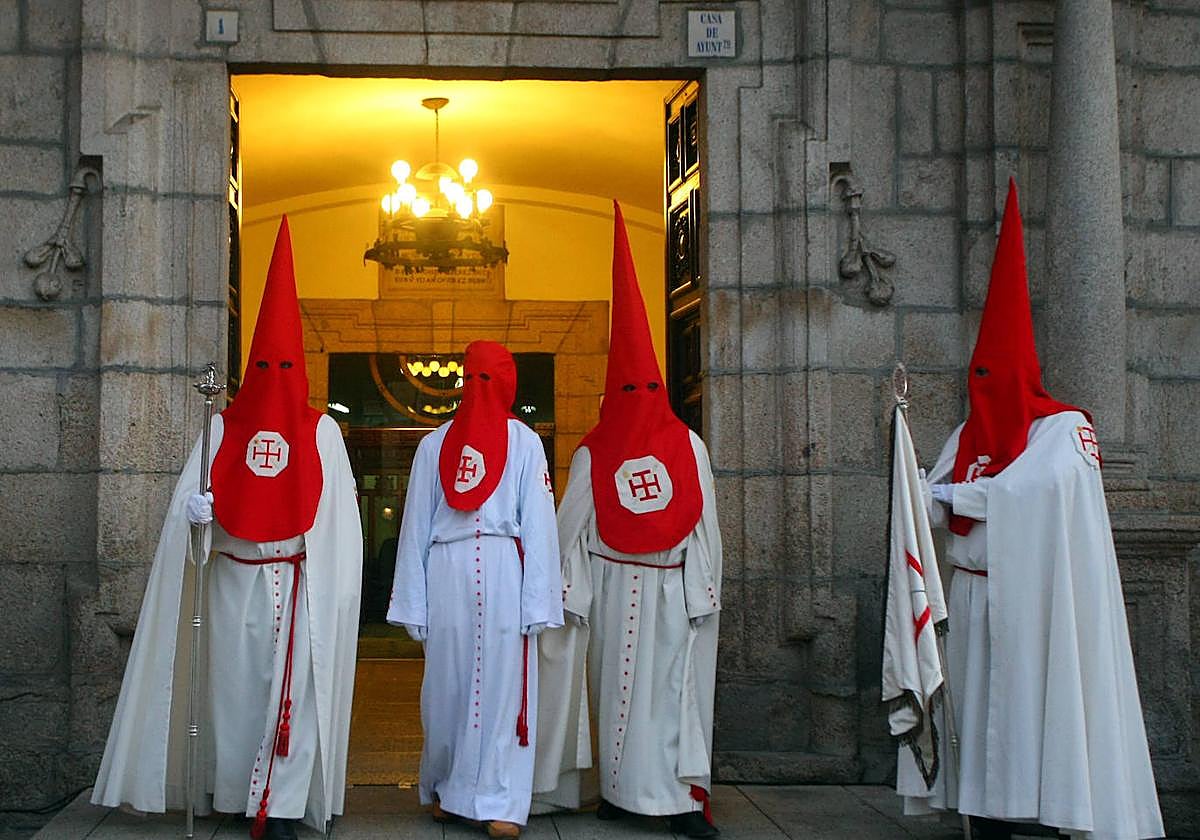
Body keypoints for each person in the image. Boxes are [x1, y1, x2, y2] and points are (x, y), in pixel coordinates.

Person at [900, 180, 1163, 840]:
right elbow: (931, 505)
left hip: (1043, 604)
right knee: (981, 717)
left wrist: (952, 497)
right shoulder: (968, 434)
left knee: (1032, 716)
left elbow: (1031, 492)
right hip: (976, 597)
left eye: (996, 375)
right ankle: (984, 816)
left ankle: (1049, 815)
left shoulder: (1064, 428)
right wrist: (908, 477)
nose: (984, 389)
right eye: (976, 376)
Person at [91, 217, 363, 840]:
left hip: (296, 586)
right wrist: (197, 518)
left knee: (296, 698)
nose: (273, 375)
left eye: (282, 363)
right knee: (235, 697)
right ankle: (241, 794)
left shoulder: (323, 433)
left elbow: (340, 524)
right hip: (233, 586)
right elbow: (191, 516)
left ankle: (285, 806)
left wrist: (329, 583)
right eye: (263, 363)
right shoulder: (220, 429)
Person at [534, 202, 723, 838]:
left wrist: (703, 588)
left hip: (670, 588)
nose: (641, 405)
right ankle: (616, 794)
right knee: (614, 697)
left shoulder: (688, 447)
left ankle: (676, 802)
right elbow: (570, 529)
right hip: (613, 589)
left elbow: (705, 529)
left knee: (671, 699)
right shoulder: (593, 451)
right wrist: (563, 591)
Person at [388, 340, 563, 839]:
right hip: (449, 565)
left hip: (508, 569)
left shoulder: (526, 442)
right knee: (445, 688)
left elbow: (539, 524)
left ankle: (501, 799)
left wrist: (539, 600)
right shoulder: (433, 444)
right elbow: (416, 523)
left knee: (507, 690)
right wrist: (413, 601)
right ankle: (446, 787)